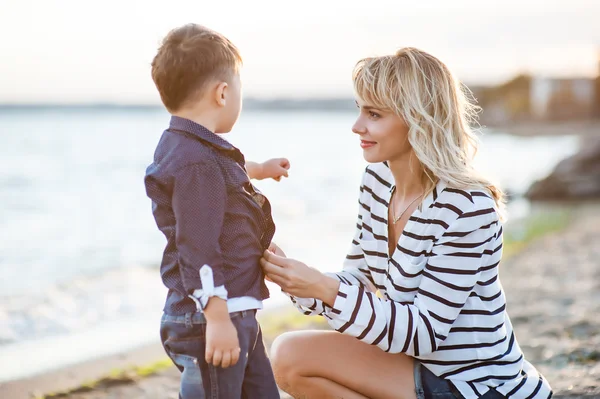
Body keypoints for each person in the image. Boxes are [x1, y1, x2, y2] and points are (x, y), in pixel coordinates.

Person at [261, 47, 552, 399]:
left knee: (291, 353)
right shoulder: (378, 181)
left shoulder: (467, 207)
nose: (357, 127)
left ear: (419, 119)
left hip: (478, 385)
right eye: (359, 110)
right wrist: (292, 277)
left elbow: (425, 332)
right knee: (288, 356)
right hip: (415, 366)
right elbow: (361, 280)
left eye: (374, 114)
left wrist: (324, 287)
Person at [144, 23, 286, 399]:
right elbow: (197, 244)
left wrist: (258, 170)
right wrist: (217, 317)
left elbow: (222, 178)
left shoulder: (187, 148)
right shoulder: (197, 164)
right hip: (213, 316)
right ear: (223, 93)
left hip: (234, 310)